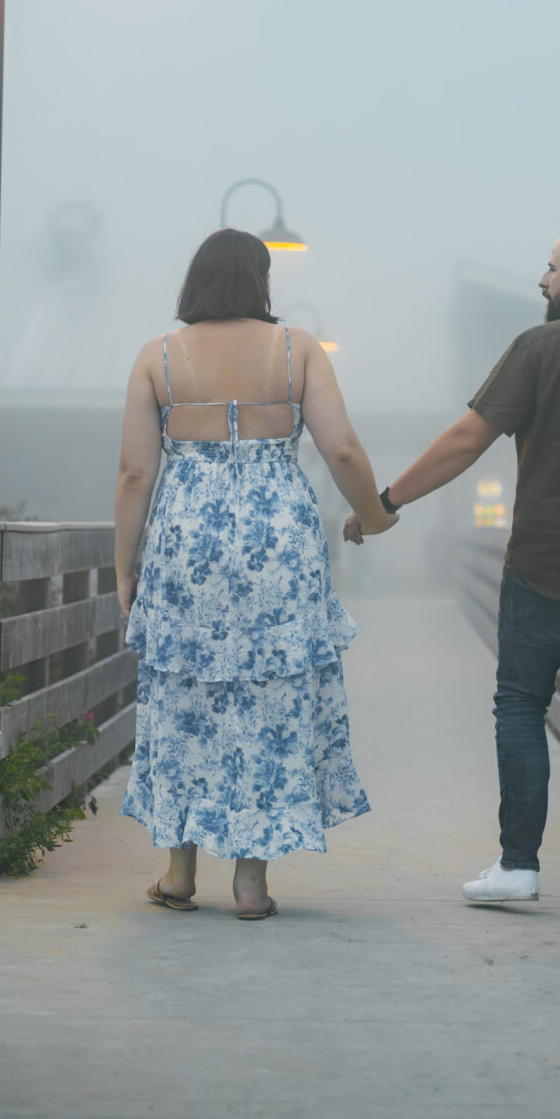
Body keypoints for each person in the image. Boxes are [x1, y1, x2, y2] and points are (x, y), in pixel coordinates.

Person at [345, 229, 560, 921]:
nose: (542, 279)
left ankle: (518, 867)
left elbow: (466, 440)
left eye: (551, 268)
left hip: (544, 565)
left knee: (520, 705)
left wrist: (385, 504)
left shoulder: (541, 349)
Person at [114, 229, 395, 920]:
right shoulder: (297, 351)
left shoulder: (159, 358)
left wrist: (125, 569)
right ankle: (250, 883)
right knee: (269, 705)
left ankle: (179, 874)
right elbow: (341, 449)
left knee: (182, 697)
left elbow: (134, 473)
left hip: (186, 545)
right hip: (279, 546)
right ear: (259, 281)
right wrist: (375, 515)